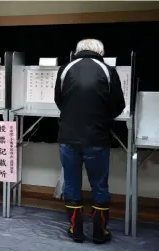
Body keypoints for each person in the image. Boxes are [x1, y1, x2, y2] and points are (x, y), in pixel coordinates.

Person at [54, 39, 125, 244]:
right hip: (97, 137)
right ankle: (99, 232)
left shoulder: (65, 69)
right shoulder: (108, 70)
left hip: (68, 137)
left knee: (72, 183)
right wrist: (102, 117)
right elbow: (118, 105)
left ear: (77, 51)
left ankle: (75, 230)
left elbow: (59, 100)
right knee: (99, 185)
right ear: (101, 52)